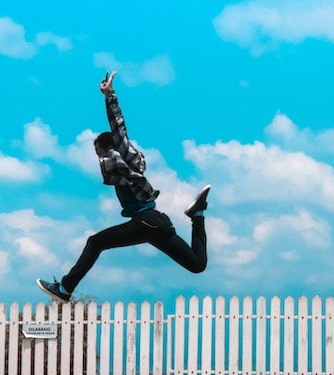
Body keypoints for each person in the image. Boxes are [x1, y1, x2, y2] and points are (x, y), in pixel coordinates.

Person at [36, 71, 210, 303]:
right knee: (197, 265)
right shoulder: (121, 166)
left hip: (146, 221)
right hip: (156, 223)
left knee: (95, 242)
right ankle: (197, 214)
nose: (98, 157)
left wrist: (109, 95)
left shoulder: (122, 155)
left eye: (97, 150)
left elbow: (119, 128)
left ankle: (65, 290)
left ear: (105, 147)